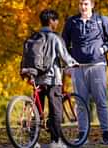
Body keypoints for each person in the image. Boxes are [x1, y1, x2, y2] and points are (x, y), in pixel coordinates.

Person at [62, 0, 108, 145]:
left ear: (92, 5)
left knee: (101, 101)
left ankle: (106, 133)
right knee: (81, 102)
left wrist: (102, 49)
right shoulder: (71, 22)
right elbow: (63, 44)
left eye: (86, 3)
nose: (83, 6)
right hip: (78, 68)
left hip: (97, 66)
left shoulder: (102, 20)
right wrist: (68, 63)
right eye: (81, 3)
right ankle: (82, 134)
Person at [33, 9, 79, 148]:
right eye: (56, 20)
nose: (58, 23)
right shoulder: (55, 37)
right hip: (52, 78)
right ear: (52, 21)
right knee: (55, 110)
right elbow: (64, 55)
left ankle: (32, 141)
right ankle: (56, 141)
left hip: (36, 78)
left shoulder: (34, 36)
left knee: (36, 109)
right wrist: (74, 63)